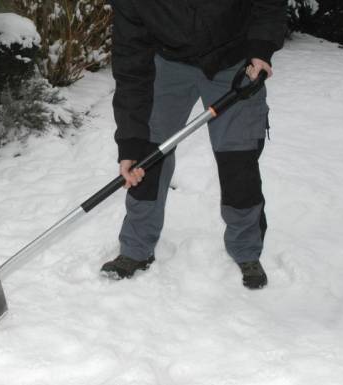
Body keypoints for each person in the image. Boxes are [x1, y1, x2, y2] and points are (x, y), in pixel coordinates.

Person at [100, 0, 287, 288]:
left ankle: (247, 249)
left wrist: (261, 49)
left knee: (238, 159)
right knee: (147, 155)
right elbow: (131, 65)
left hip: (233, 60)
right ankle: (136, 249)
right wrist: (130, 143)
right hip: (167, 62)